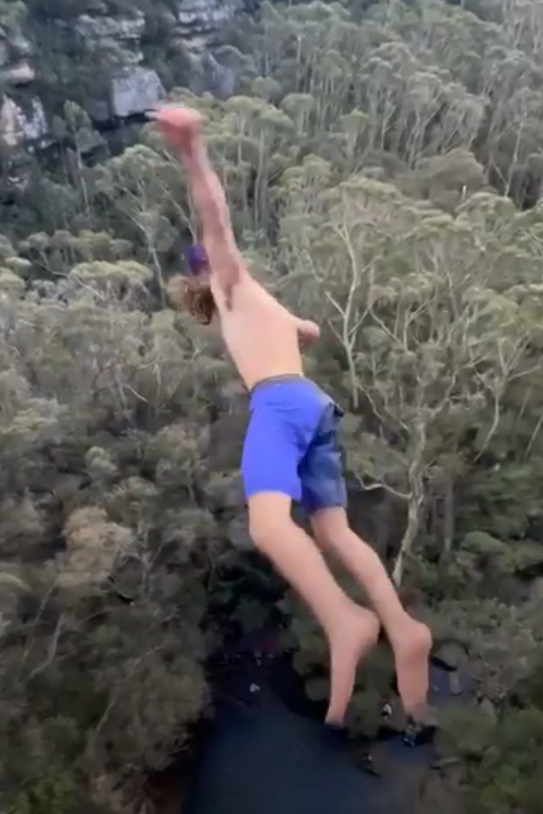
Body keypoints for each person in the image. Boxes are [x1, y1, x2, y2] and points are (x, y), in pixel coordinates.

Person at [149, 104, 432, 729]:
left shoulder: (230, 282)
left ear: (197, 272)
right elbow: (312, 330)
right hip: (314, 406)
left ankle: (345, 618)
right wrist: (299, 333)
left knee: (270, 526)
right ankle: (403, 626)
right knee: (333, 532)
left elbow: (214, 220)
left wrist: (192, 150)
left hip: (280, 404)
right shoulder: (257, 304)